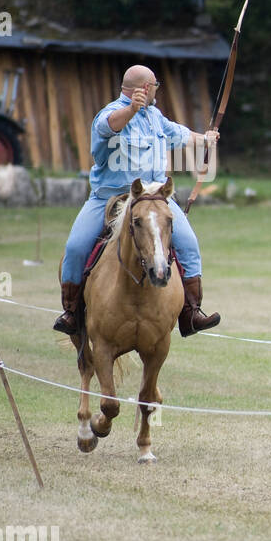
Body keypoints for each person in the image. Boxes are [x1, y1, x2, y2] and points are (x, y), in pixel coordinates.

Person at [55, 64, 221, 337]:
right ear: (145, 88)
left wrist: (206, 139)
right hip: (111, 198)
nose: (157, 89)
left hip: (155, 199)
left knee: (189, 243)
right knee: (75, 247)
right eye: (155, 85)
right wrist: (131, 109)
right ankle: (72, 312)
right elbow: (109, 126)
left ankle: (192, 312)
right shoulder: (108, 114)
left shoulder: (155, 116)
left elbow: (179, 133)